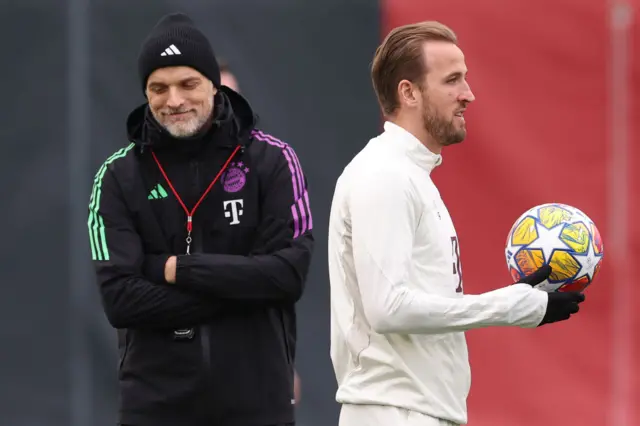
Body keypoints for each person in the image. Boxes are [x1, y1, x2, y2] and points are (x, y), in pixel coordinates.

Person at [327, 21, 585, 426]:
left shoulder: (411, 175)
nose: (468, 94)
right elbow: (387, 308)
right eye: (452, 80)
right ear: (408, 92)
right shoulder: (384, 175)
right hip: (393, 413)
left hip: (418, 411)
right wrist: (509, 305)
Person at [87, 12, 314, 426]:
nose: (173, 100)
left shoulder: (273, 160)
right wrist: (243, 287)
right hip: (154, 408)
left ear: (214, 83)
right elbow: (120, 300)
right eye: (158, 87)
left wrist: (172, 269)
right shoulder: (118, 175)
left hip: (258, 405)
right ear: (145, 92)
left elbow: (287, 275)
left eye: (187, 84)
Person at [218, 56, 304, 405]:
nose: (224, 114)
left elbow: (282, 274)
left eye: (231, 100)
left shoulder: (268, 168)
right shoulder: (157, 179)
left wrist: (279, 361)